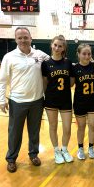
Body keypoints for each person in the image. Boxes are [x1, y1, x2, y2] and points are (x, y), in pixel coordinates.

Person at [0, 27, 49, 173]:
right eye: (20, 38)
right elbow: (2, 81)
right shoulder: (9, 57)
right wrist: (1, 100)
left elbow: (55, 63)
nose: (23, 40)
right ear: (15, 40)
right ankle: (11, 159)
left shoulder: (39, 55)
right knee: (14, 132)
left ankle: (33, 155)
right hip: (17, 102)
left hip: (37, 101)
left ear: (31, 38)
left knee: (34, 131)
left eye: (25, 37)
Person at [41, 35, 73, 164]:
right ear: (51, 45)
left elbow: (71, 82)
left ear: (64, 48)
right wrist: (46, 97)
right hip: (51, 100)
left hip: (65, 99)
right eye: (55, 45)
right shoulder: (46, 63)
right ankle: (56, 151)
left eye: (60, 46)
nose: (57, 48)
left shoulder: (68, 63)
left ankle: (64, 149)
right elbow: (44, 83)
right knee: (53, 126)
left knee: (67, 128)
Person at [71, 44, 94, 160]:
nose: (87, 56)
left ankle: (91, 148)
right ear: (78, 54)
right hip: (80, 101)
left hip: (93, 101)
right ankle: (81, 148)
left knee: (92, 126)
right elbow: (71, 84)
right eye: (84, 53)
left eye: (89, 54)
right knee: (81, 127)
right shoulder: (74, 68)